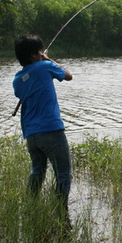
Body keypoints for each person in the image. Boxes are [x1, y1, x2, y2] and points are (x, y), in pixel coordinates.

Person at [12, 35, 73, 207]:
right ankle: (61, 210)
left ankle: (31, 206)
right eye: (38, 52)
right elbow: (68, 76)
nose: (41, 54)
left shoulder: (17, 79)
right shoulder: (45, 66)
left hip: (31, 134)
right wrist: (49, 59)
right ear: (33, 55)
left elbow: (23, 90)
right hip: (51, 130)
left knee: (37, 172)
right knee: (63, 174)